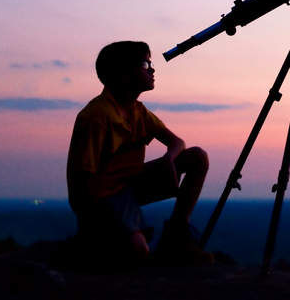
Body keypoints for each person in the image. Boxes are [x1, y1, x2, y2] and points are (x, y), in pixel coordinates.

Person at [66, 41, 213, 265]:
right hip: (102, 196)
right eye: (145, 64)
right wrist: (96, 222)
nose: (152, 69)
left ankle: (176, 238)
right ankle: (89, 245)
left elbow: (176, 141)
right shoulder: (96, 116)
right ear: (122, 76)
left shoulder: (138, 111)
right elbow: (81, 184)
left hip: (129, 184)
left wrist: (168, 158)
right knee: (137, 252)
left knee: (197, 157)